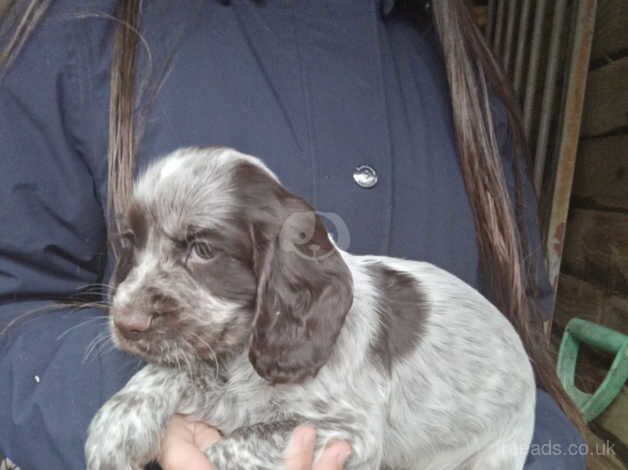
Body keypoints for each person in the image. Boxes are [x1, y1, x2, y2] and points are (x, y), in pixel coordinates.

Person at [0, 0, 587, 469]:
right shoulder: (82, 30)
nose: (126, 307)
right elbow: (16, 299)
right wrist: (137, 412)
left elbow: (522, 356)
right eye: (134, 245)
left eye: (201, 248)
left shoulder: (462, 77)